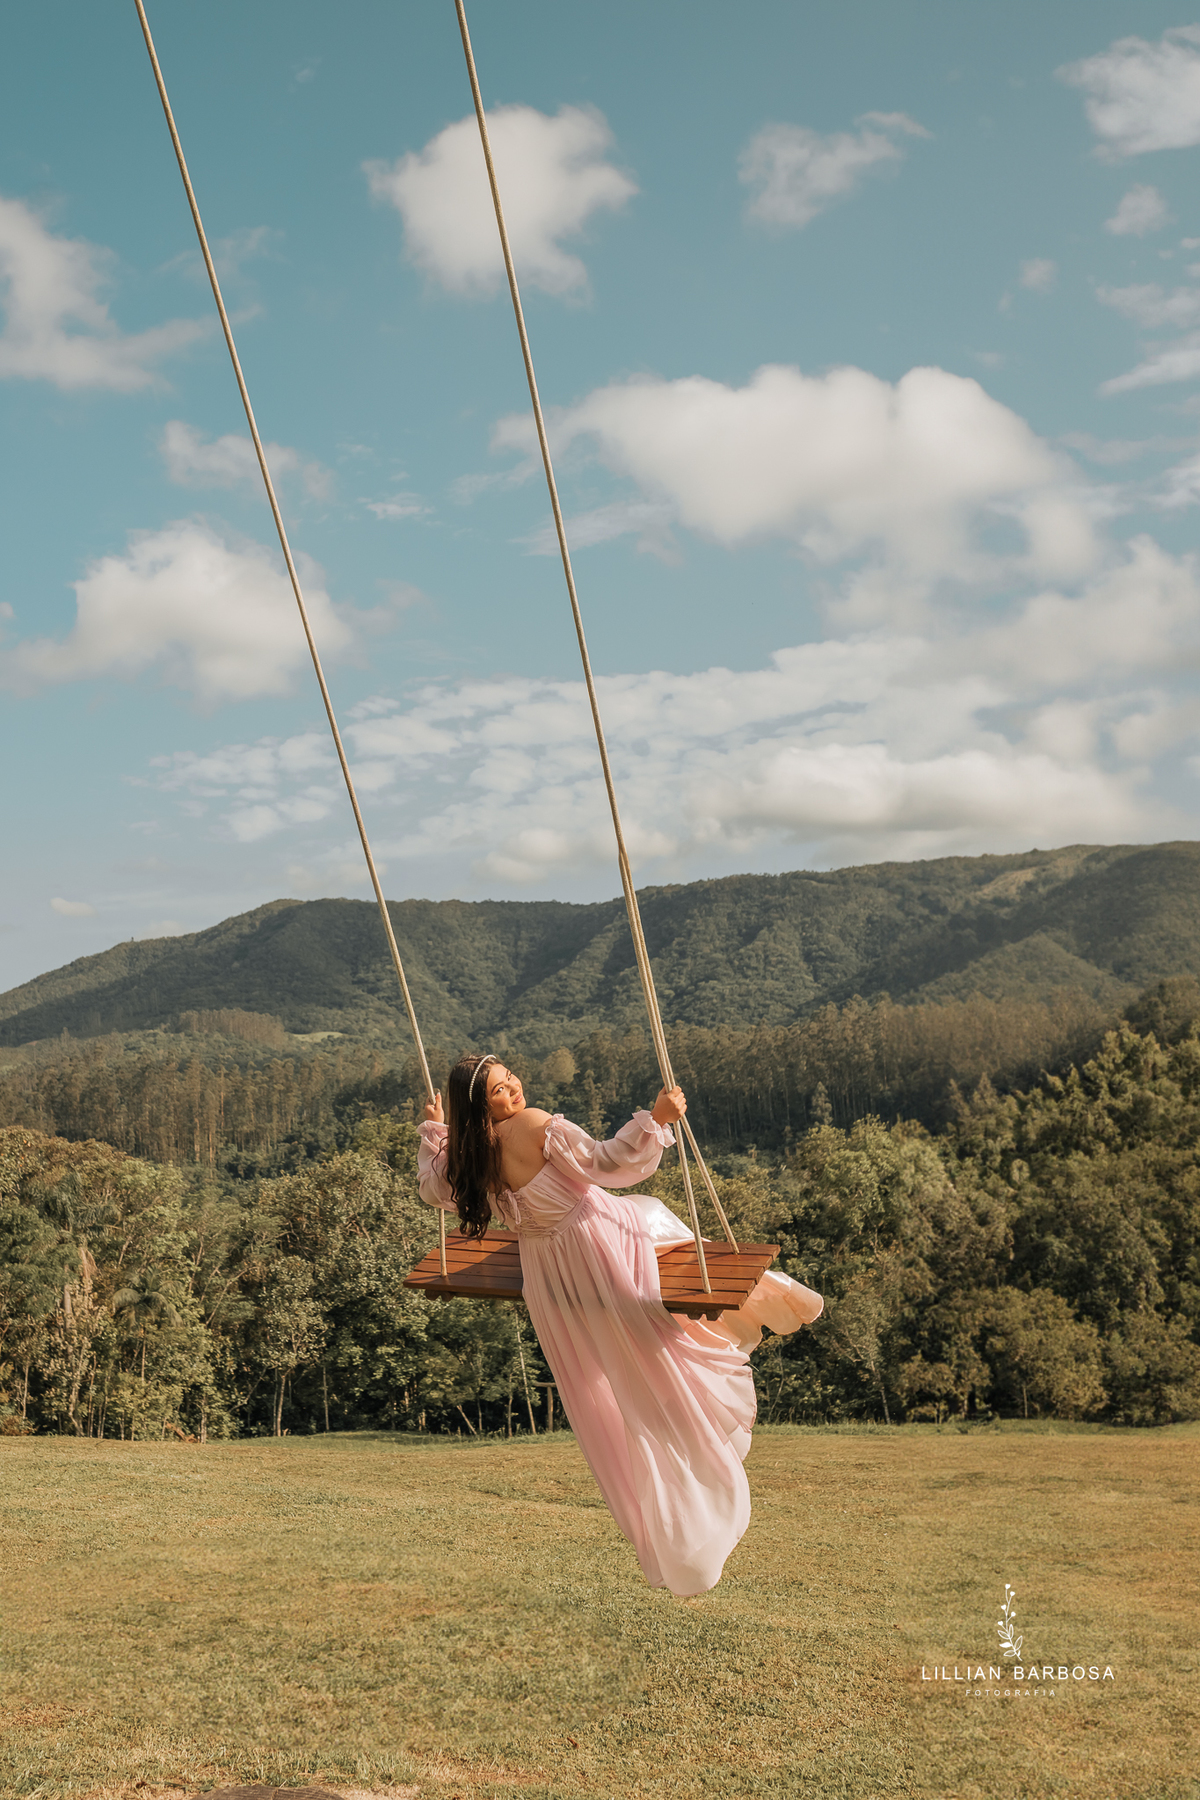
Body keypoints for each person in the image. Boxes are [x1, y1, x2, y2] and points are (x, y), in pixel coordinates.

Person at [417, 1051, 822, 1598]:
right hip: (598, 1247)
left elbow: (434, 1188)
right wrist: (656, 1119)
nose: (512, 1090)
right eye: (497, 1091)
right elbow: (609, 1164)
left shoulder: (469, 1155)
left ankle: (667, 1503)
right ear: (482, 1106)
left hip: (549, 1276)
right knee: (656, 1236)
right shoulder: (535, 1126)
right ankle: (766, 1311)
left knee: (607, 1383)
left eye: (509, 1078)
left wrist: (436, 1131)